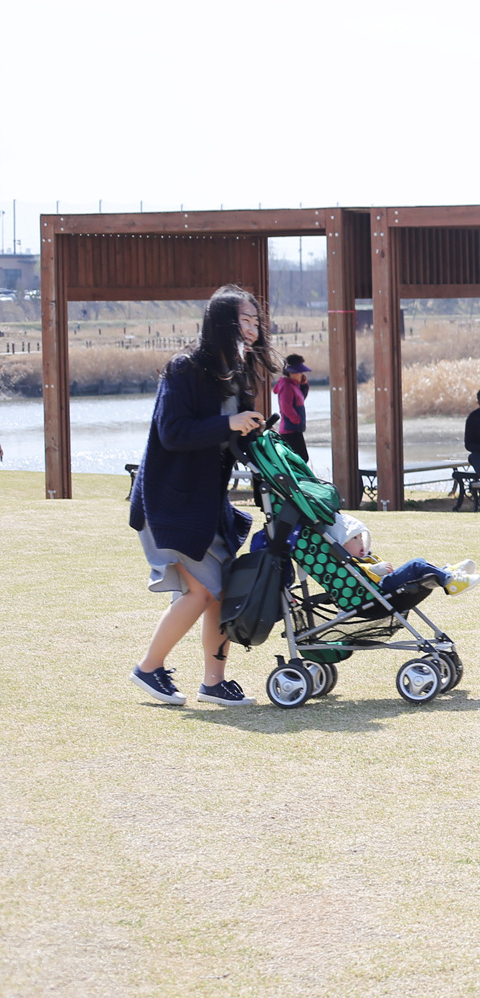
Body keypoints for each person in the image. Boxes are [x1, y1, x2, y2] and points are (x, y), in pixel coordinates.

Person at [127, 284, 272, 707]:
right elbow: (172, 432)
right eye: (245, 320)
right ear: (223, 322)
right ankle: (148, 668)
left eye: (256, 320)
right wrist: (229, 424)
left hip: (205, 503)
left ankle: (214, 683)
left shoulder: (236, 372)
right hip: (169, 501)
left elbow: (231, 439)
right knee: (202, 592)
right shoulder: (185, 367)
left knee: (220, 592)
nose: (253, 328)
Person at [327, 512, 480, 597]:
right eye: (355, 538)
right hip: (377, 590)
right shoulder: (347, 563)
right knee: (416, 565)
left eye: (361, 538)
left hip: (379, 588)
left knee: (419, 565)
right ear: (341, 544)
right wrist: (374, 569)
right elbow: (358, 574)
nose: (361, 543)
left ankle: (445, 572)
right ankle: (450, 581)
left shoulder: (360, 559)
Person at [272, 354, 311, 461]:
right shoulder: (286, 385)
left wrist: (304, 385)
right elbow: (286, 406)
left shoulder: (293, 385)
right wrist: (296, 420)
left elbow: (300, 400)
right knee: (301, 458)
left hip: (295, 429)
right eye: (299, 372)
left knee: (301, 458)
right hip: (289, 430)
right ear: (291, 372)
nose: (301, 374)